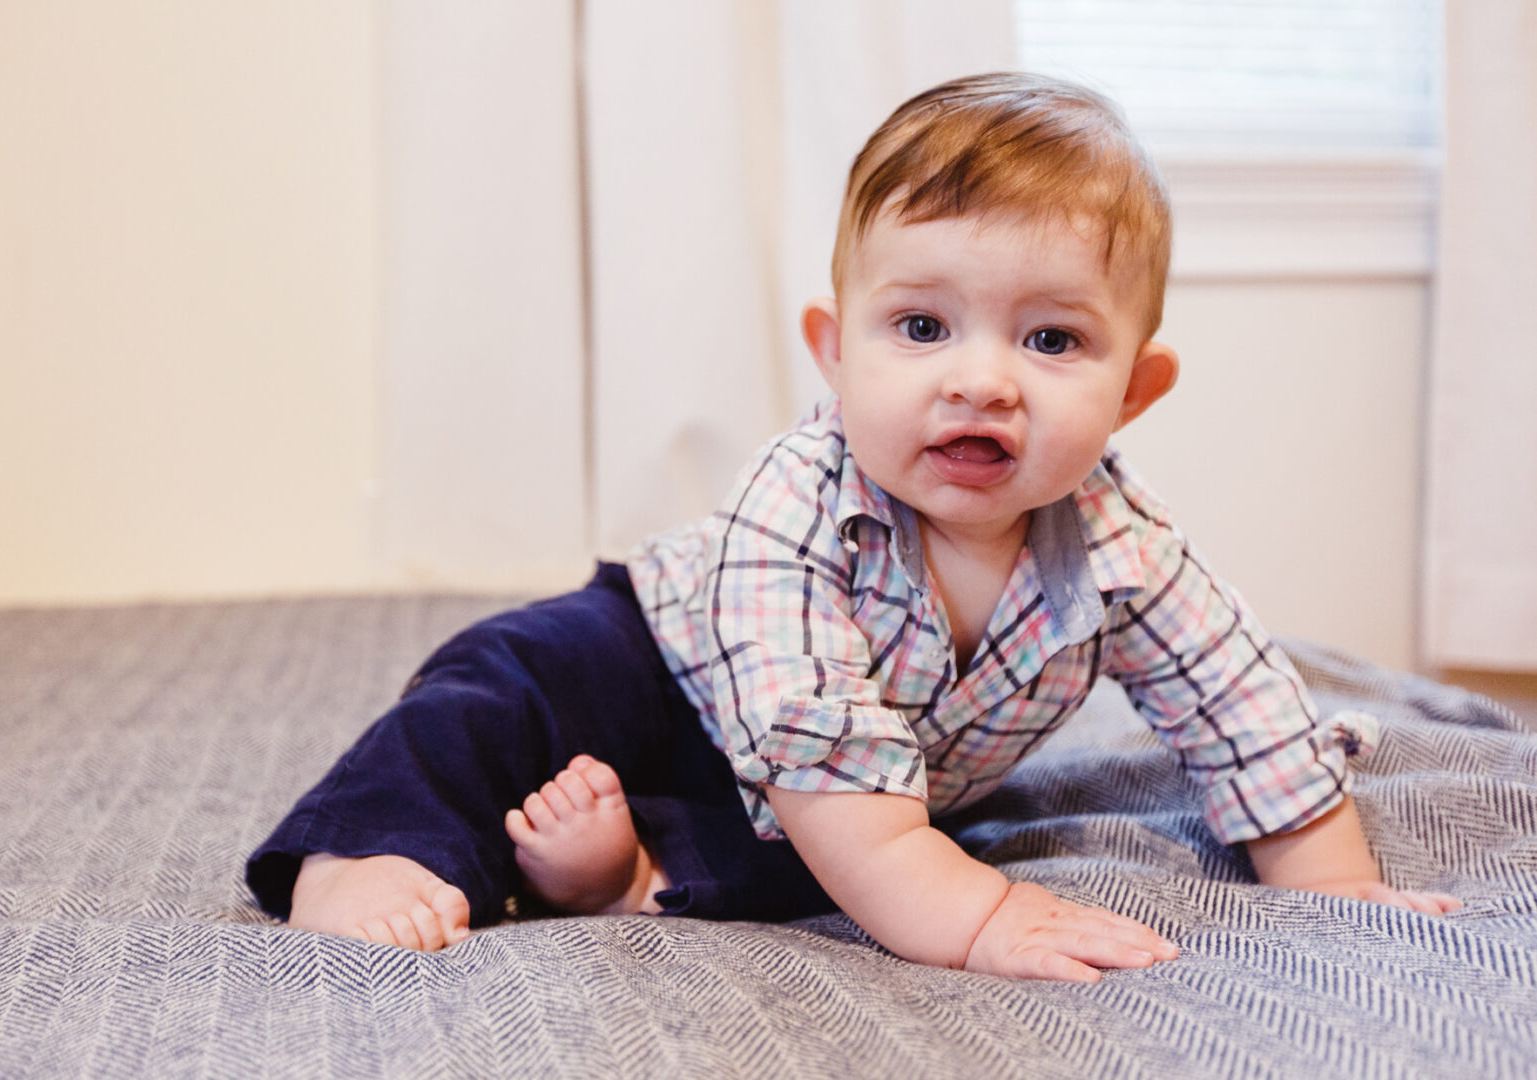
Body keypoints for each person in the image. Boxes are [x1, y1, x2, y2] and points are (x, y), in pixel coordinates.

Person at [246, 72, 1461, 981]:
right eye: (922, 328)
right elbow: (813, 742)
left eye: (1051, 340)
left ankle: (619, 876)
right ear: (837, 351)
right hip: (662, 668)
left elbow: (1240, 705)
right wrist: (978, 918)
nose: (982, 381)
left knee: (824, 870)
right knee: (498, 684)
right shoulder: (799, 498)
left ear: (1135, 388)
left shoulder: (1118, 545)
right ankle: (372, 851)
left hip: (838, 795)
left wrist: (1338, 888)